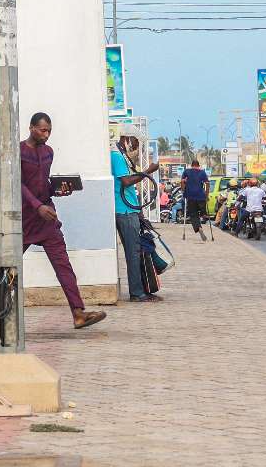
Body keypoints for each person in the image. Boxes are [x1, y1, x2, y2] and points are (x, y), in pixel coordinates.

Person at [22, 113, 106, 328]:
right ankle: (3, 317)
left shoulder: (49, 152)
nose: (47, 134)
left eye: (49, 130)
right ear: (31, 128)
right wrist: (36, 206)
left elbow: (44, 184)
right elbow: (18, 185)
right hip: (23, 219)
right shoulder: (19, 152)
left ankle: (78, 313)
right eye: (42, 130)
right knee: (8, 267)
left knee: (63, 265)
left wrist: (59, 190)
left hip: (47, 219)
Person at [111, 134, 161, 302]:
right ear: (126, 140)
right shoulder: (117, 156)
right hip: (124, 211)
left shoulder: (123, 157)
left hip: (131, 210)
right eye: (135, 144)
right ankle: (137, 292)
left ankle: (142, 289)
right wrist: (147, 172)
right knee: (133, 252)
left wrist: (139, 213)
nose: (135, 149)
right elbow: (126, 182)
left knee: (139, 251)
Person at [182, 159, 210, 241]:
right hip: (201, 196)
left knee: (193, 215)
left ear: (191, 165)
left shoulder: (186, 171)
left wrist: (184, 191)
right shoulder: (202, 172)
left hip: (190, 196)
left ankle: (198, 228)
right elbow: (207, 183)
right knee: (201, 212)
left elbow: (182, 182)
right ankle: (203, 214)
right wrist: (207, 195)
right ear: (198, 166)